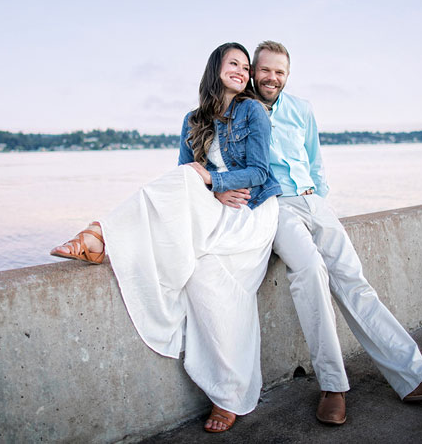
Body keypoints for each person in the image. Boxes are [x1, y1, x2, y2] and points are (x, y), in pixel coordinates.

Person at [229, 40, 422, 425]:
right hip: (275, 205)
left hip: (313, 201)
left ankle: (418, 376)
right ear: (253, 72)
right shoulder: (241, 112)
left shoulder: (301, 109)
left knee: (355, 282)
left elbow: (315, 159)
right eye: (265, 70)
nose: (272, 78)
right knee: (310, 274)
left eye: (280, 72)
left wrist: (319, 196)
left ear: (288, 75)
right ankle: (333, 386)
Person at [50, 42, 282, 433]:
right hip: (216, 207)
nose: (242, 71)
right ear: (216, 69)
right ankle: (226, 392)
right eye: (233, 63)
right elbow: (180, 178)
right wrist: (211, 189)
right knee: (198, 271)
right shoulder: (193, 119)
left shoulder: (251, 110)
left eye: (246, 67)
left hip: (251, 213)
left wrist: (215, 179)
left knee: (203, 270)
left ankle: (99, 235)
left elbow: (259, 172)